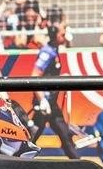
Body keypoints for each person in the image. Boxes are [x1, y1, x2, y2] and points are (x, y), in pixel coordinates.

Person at [28, 23, 79, 158]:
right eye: (62, 34)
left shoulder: (55, 49)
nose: (65, 35)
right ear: (55, 36)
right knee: (33, 136)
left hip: (52, 103)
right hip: (44, 103)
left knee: (65, 134)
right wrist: (42, 100)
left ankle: (77, 163)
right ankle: (16, 161)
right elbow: (35, 75)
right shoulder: (47, 52)